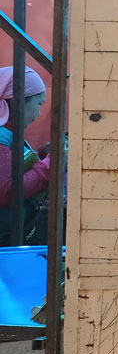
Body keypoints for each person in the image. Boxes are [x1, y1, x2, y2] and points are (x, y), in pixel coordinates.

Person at [0, 65, 52, 242]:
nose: (38, 113)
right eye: (38, 104)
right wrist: (49, 165)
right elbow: (7, 193)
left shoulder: (8, 135)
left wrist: (43, 156)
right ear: (16, 102)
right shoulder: (1, 137)